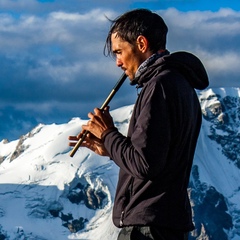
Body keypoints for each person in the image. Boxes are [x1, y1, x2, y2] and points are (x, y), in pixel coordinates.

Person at [69, 9, 209, 240]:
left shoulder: (159, 87)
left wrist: (108, 133)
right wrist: (110, 148)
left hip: (148, 228)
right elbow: (152, 160)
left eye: (119, 52)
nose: (118, 63)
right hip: (166, 225)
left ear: (141, 44)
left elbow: (145, 165)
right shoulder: (180, 85)